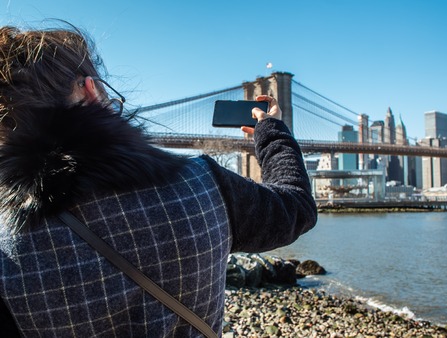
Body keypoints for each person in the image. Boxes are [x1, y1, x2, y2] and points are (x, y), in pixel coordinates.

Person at [0, 23, 317, 337]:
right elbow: (295, 205)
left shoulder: (5, 241)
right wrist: (272, 131)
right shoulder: (205, 185)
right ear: (91, 92)